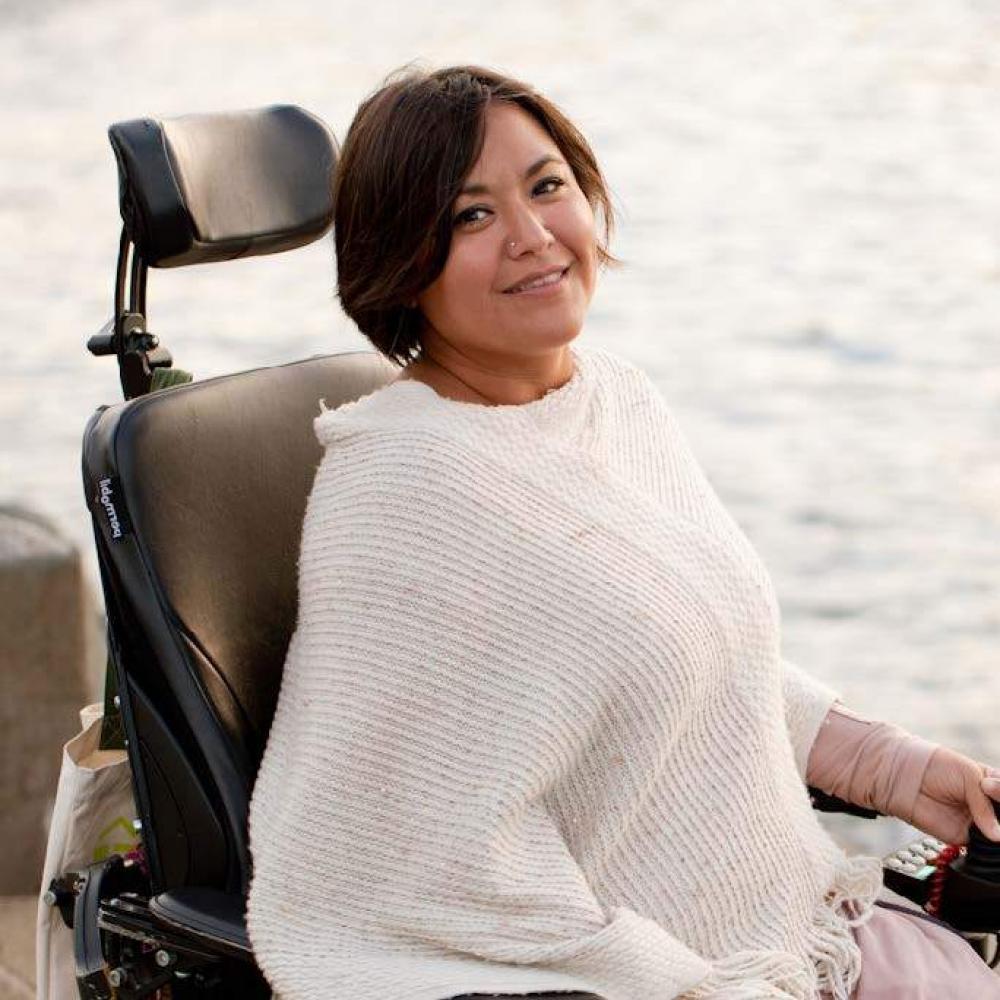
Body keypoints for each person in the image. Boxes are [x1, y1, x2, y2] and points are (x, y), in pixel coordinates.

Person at [245, 64, 1000, 1000]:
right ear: (406, 260)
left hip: (792, 922)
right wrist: (683, 983)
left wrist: (893, 765)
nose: (532, 236)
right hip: (659, 967)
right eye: (471, 216)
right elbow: (405, 855)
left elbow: (695, 647)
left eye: (547, 186)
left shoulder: (610, 396)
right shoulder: (402, 492)